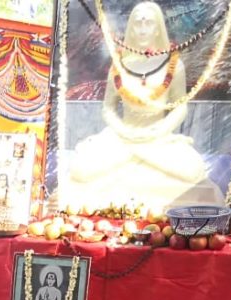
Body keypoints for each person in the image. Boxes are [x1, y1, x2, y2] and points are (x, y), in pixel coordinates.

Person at [66, 1, 222, 209]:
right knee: (81, 169)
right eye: (137, 23)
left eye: (148, 23)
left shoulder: (173, 65)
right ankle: (136, 155)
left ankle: (135, 156)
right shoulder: (119, 63)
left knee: (193, 171)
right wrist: (124, 131)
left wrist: (159, 131)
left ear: (158, 27)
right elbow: (109, 108)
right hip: (123, 136)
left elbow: (180, 107)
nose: (142, 29)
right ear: (130, 27)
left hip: (158, 137)